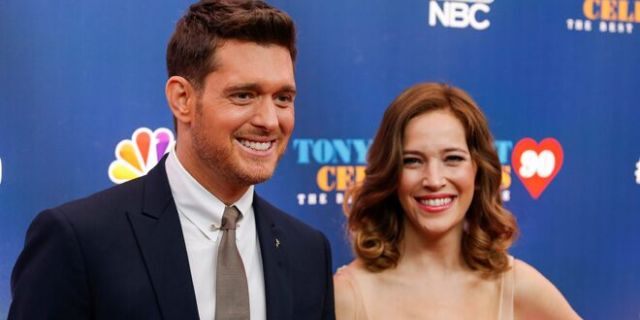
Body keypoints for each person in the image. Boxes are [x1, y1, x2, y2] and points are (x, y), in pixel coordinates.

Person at [9, 1, 335, 319]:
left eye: (283, 98)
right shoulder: (79, 240)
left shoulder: (308, 252)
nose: (270, 120)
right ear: (182, 99)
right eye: (244, 95)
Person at [334, 83, 580, 319]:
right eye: (412, 161)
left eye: (452, 158)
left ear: (477, 169)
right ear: (391, 173)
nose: (434, 179)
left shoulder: (517, 286)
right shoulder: (347, 296)